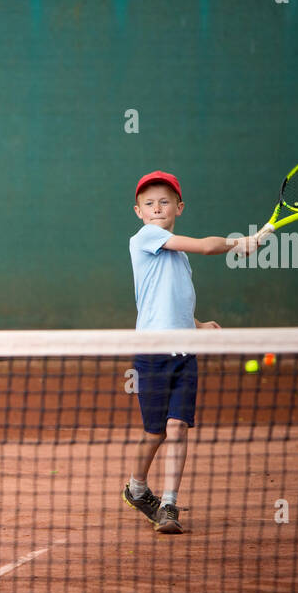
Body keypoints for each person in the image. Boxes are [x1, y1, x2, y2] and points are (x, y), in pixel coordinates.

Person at [123, 171, 257, 535]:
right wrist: (239, 243)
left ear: (178, 207)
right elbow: (208, 245)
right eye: (148, 203)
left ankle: (168, 504)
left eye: (164, 202)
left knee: (177, 427)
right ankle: (136, 489)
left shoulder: (178, 258)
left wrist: (197, 325)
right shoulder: (147, 237)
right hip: (152, 353)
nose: (156, 208)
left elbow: (171, 299)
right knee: (155, 433)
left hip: (185, 352)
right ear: (138, 211)